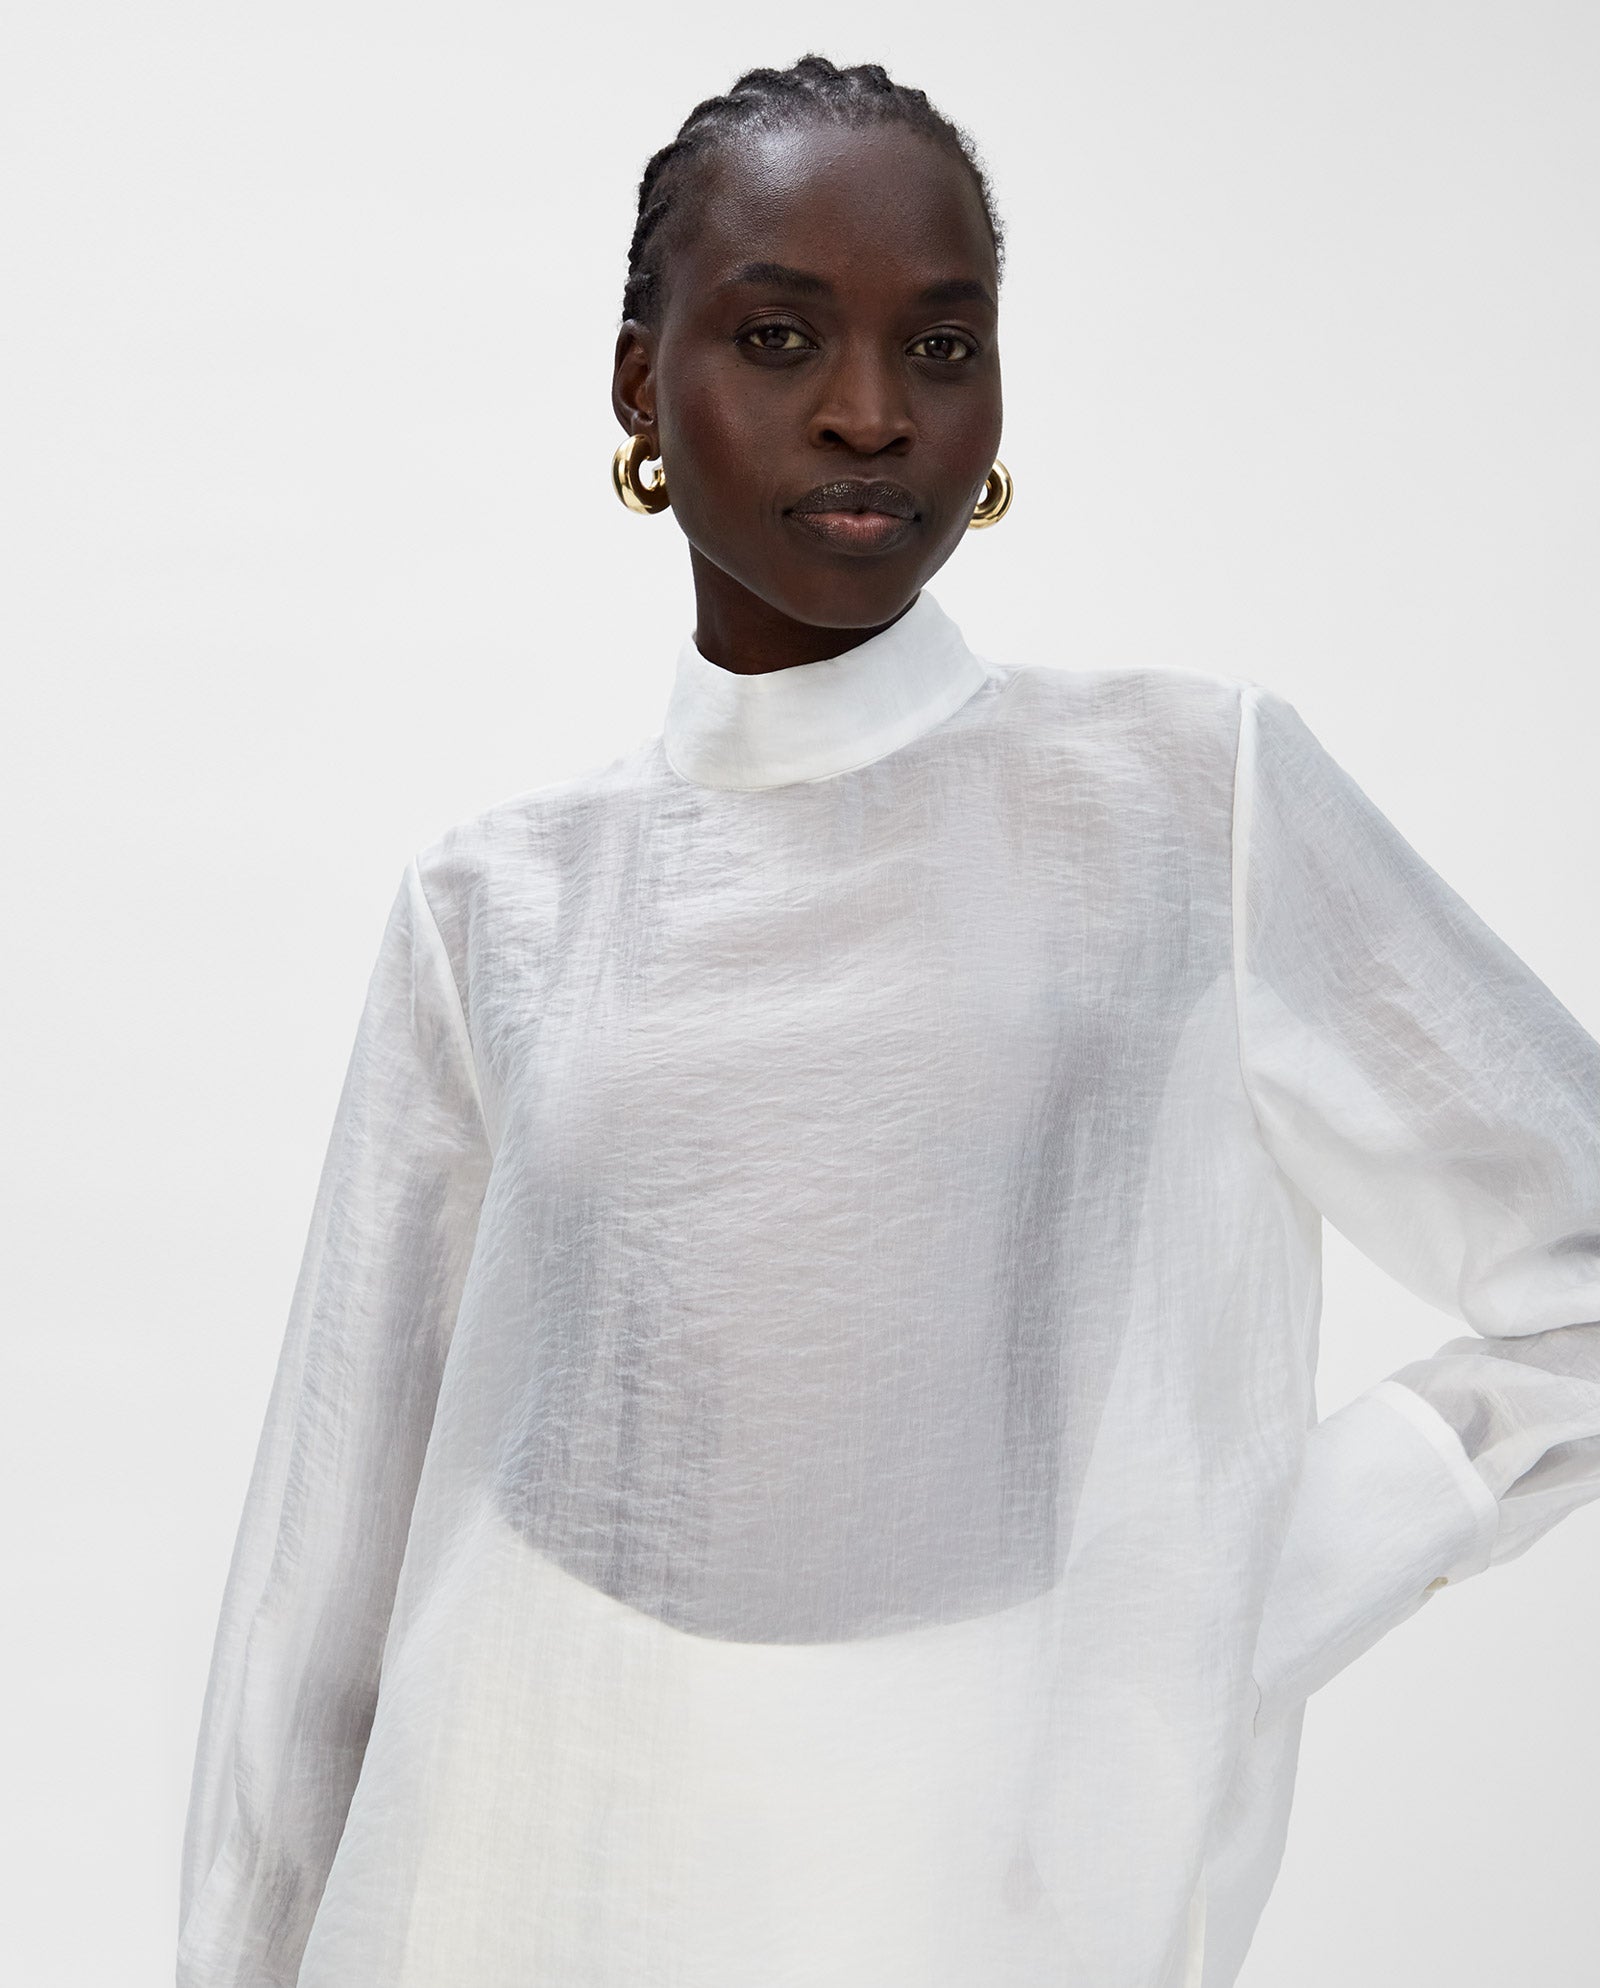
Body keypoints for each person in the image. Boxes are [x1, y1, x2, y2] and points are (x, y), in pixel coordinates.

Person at [175, 53, 1600, 1988]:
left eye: (943, 345)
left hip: (979, 1881)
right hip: (525, 1857)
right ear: (638, 389)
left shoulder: (1191, 798)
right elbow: (323, 1582)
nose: (869, 412)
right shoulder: (498, 907)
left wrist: (1225, 1592)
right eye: (779, 337)